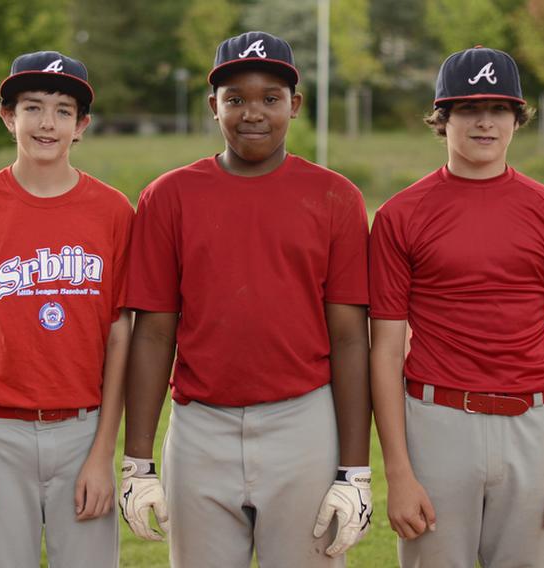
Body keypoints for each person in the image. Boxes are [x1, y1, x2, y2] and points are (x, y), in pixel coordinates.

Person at [118, 31, 372, 568]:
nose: (252, 113)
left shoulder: (336, 196)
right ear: (213, 106)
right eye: (235, 99)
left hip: (303, 421)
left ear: (294, 105)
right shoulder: (169, 196)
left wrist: (354, 470)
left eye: (270, 99)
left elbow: (351, 339)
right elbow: (155, 332)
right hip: (200, 427)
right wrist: (137, 461)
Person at [369, 45, 544, 567]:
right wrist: (399, 474)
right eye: (469, 109)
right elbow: (384, 350)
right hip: (436, 419)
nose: (485, 122)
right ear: (442, 118)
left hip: (533, 425)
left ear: (516, 119)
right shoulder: (400, 215)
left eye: (498, 109)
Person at [0, 50, 133, 567]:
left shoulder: (113, 211)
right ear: (8, 117)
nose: (48, 122)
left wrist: (103, 453)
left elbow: (120, 335)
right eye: (33, 107)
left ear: (82, 125)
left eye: (64, 110)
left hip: (83, 431)